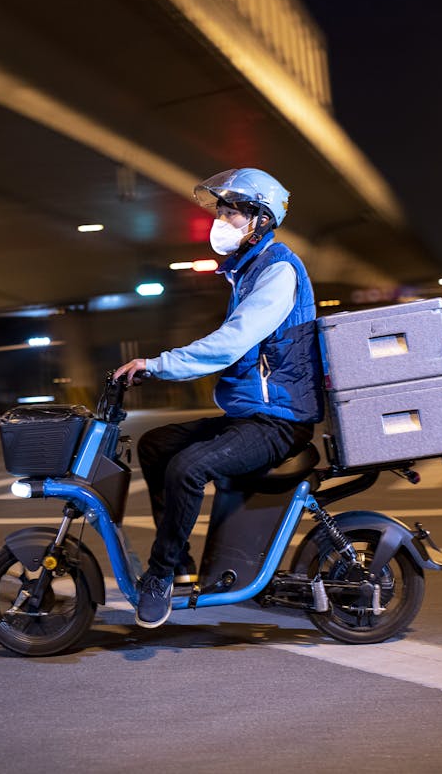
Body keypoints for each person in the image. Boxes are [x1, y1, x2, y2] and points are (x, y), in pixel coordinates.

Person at [112, 167, 323, 629]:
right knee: (156, 445)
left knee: (190, 467)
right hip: (250, 415)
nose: (221, 221)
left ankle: (160, 577)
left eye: (232, 213)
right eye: (221, 212)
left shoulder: (278, 271)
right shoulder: (247, 272)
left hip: (279, 421)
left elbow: (231, 343)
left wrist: (158, 364)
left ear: (261, 221)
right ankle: (183, 566)